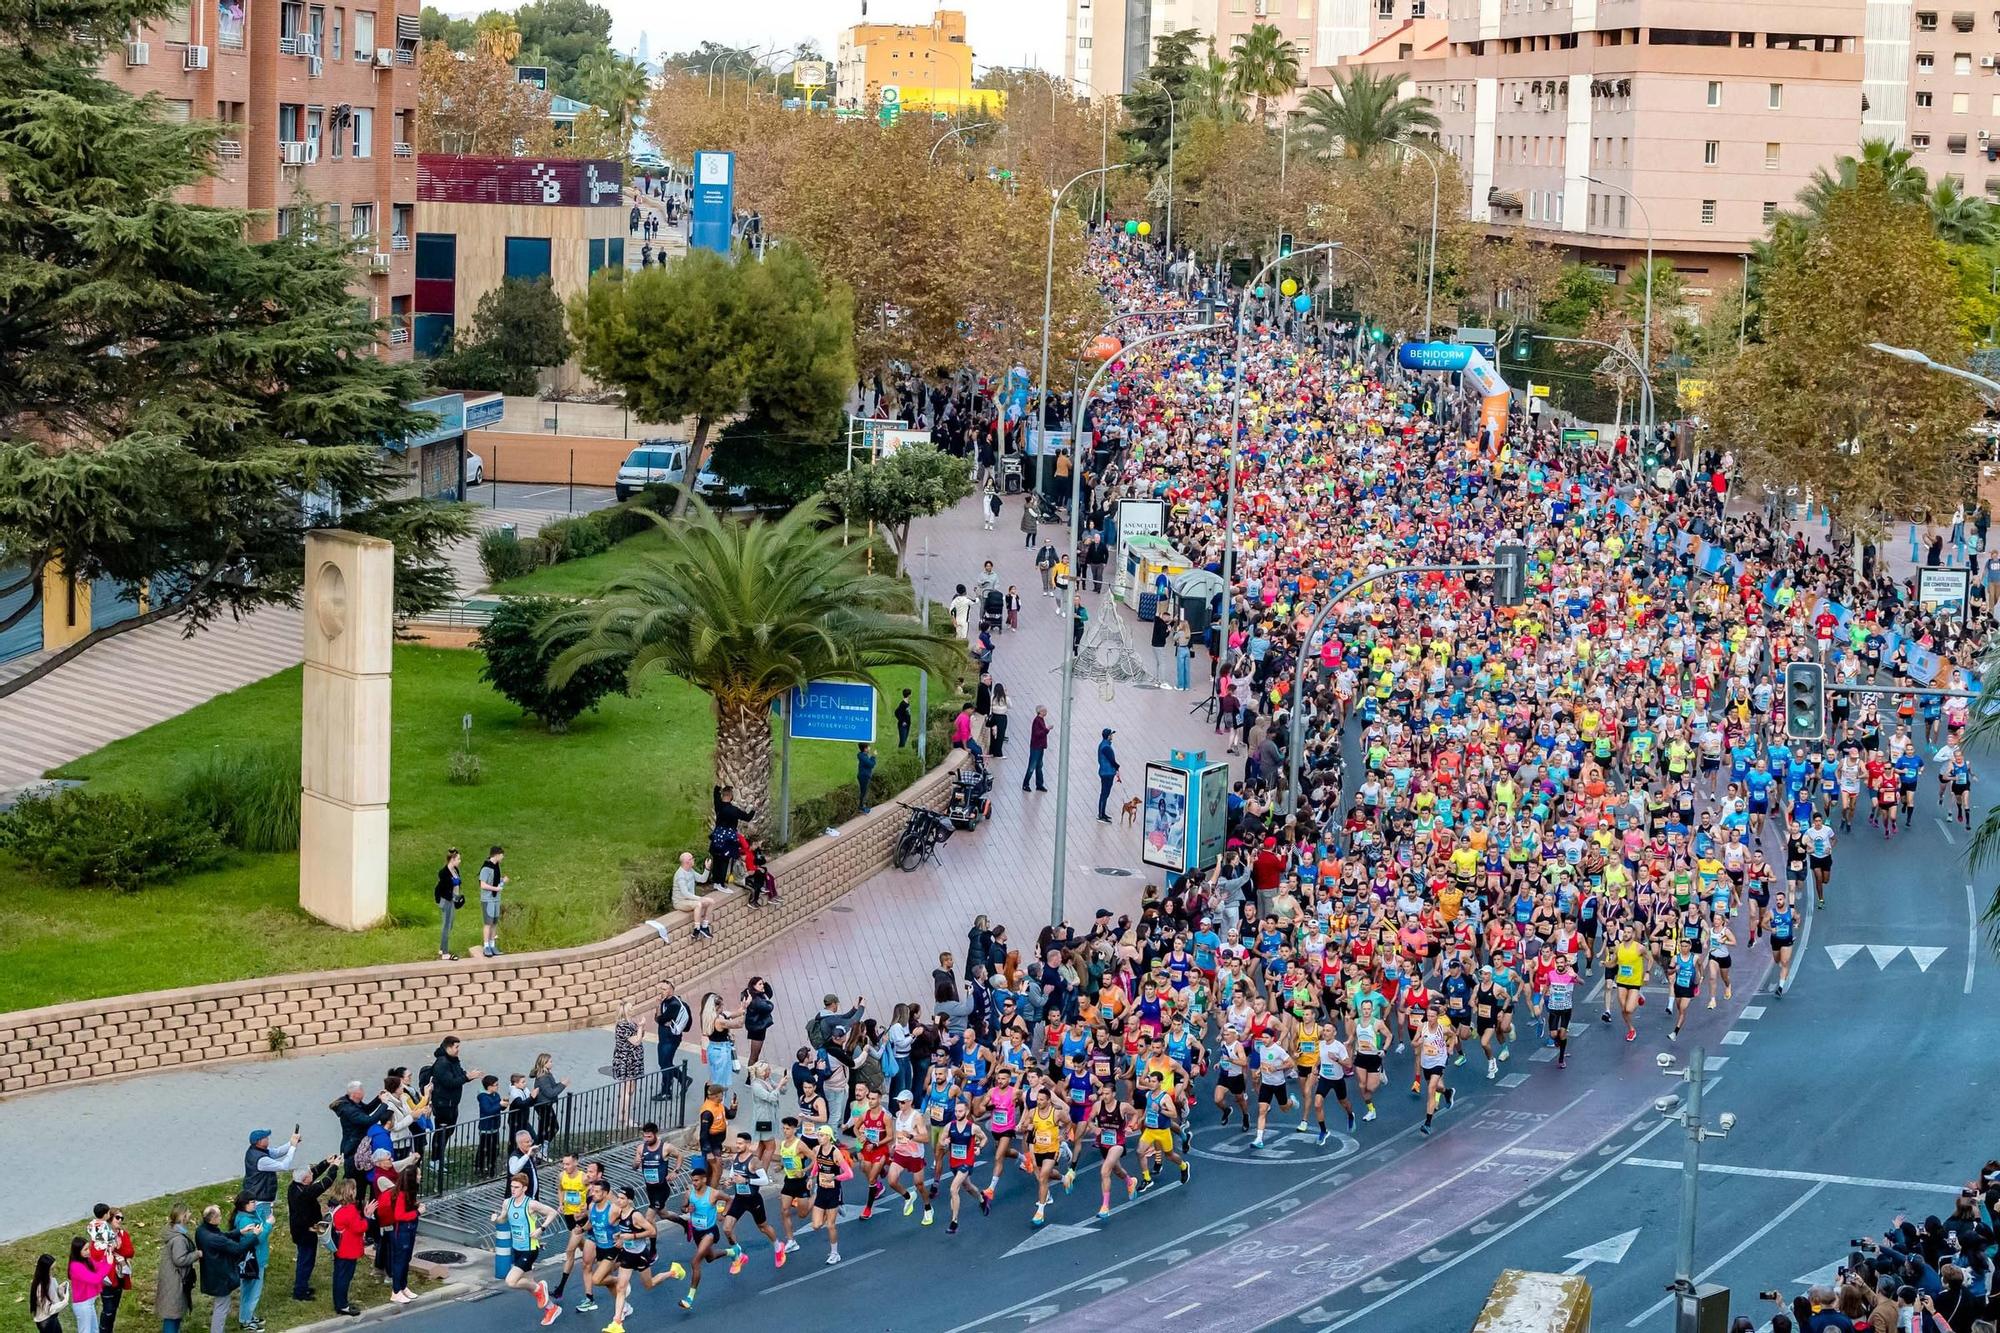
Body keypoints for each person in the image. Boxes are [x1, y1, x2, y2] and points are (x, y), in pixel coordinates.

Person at [491, 1173, 564, 1326]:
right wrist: (496, 1219)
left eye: (516, 1187)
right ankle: (552, 1308)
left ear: (524, 1188)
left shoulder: (531, 1204)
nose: (513, 1190)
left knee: (511, 1281)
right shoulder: (507, 1203)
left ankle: (541, 1287)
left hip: (530, 1249)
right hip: (517, 1249)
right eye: (512, 1186)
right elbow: (503, 1219)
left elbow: (553, 1212)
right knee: (529, 1284)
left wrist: (541, 1229)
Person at [194, 1204, 260, 1333]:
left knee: (221, 1305)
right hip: (221, 1277)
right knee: (222, 1307)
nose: (221, 1217)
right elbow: (238, 1248)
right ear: (212, 1219)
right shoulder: (215, 1239)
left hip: (211, 1274)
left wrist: (239, 1232)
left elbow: (222, 1236)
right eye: (219, 1215)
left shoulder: (201, 1231)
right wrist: (254, 1235)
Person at [286, 1154, 342, 1301]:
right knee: (306, 1260)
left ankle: (302, 1286)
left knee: (304, 1259)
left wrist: (325, 1163)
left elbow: (313, 1174)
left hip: (299, 1230)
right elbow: (325, 1183)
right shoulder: (305, 1193)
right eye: (309, 1174)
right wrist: (334, 1166)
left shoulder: (295, 1186)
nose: (312, 1173)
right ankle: (300, 1291)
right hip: (306, 1232)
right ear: (305, 1180)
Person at [155, 1209, 197, 1333]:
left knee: (174, 1312)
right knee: (172, 1314)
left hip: (171, 1278)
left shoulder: (174, 1232)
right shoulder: (179, 1239)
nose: (190, 1214)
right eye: (188, 1212)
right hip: (175, 1280)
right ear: (183, 1217)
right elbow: (179, 1260)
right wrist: (196, 1254)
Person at [654, 981, 691, 1097]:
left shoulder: (675, 1004)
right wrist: (659, 1010)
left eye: (665, 989)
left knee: (665, 1063)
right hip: (664, 1037)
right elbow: (657, 1019)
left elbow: (660, 1020)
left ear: (671, 990)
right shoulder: (664, 1002)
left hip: (671, 1038)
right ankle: (681, 1080)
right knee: (664, 1063)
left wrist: (662, 1020)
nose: (662, 992)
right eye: (661, 989)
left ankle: (667, 1090)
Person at [67, 1237, 111, 1333]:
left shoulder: (86, 1260)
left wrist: (107, 1257)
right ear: (78, 1251)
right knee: (85, 1330)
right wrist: (108, 1264)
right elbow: (95, 1279)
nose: (88, 1251)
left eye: (88, 1248)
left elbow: (98, 1266)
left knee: (94, 1330)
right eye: (85, 1249)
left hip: (88, 1303)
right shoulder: (75, 1266)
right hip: (83, 1304)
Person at [671, 852, 715, 939]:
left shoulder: (690, 871)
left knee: (711, 902)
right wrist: (700, 898)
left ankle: (705, 927)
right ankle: (697, 929)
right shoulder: (680, 875)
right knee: (698, 904)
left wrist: (707, 868)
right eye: (692, 858)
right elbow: (685, 893)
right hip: (680, 901)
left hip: (689, 899)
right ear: (687, 862)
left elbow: (702, 879)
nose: (693, 860)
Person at [478, 844, 507, 958]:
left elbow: (495, 880)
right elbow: (483, 884)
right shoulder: (486, 868)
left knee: (495, 922)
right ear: (496, 855)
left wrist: (502, 880)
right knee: (488, 923)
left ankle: (492, 944)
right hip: (488, 899)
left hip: (496, 899)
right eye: (501, 855)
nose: (502, 857)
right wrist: (496, 888)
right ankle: (486, 946)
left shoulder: (497, 866)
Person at [435, 847, 463, 961]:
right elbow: (444, 889)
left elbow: (457, 884)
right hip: (446, 900)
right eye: (458, 859)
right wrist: (452, 897)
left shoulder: (456, 870)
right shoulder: (443, 873)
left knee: (450, 924)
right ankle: (445, 953)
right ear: (452, 859)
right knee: (446, 926)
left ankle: (442, 948)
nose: (460, 861)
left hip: (452, 900)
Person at [30, 1254, 66, 1333]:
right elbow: (48, 1309)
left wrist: (60, 1290)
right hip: (46, 1321)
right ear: (45, 1270)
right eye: (52, 1269)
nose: (54, 1271)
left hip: (52, 1317)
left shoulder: (50, 1279)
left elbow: (52, 1296)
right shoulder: (40, 1287)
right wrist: (64, 1302)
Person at [1021, 705, 1051, 793]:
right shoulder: (1037, 721)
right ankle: (1025, 784)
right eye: (1044, 710)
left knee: (1039, 766)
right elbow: (1037, 734)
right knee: (1032, 766)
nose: (1046, 712)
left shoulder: (1040, 720)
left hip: (1040, 746)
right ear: (1040, 712)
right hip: (1036, 747)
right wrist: (1047, 729)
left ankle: (1039, 784)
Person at [1096, 727, 1120, 822]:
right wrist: (1117, 767)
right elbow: (1112, 760)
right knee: (1105, 793)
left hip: (1105, 772)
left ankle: (1103, 813)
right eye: (1111, 734)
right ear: (1108, 736)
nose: (1112, 736)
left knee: (1105, 793)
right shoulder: (1106, 747)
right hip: (1107, 773)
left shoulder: (1103, 745)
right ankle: (1101, 815)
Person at [857, 742, 878, 813]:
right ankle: (861, 806)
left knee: (864, 791)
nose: (869, 748)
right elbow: (871, 764)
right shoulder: (863, 757)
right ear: (865, 749)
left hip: (864, 775)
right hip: (864, 776)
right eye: (868, 747)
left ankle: (862, 805)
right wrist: (873, 756)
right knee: (864, 792)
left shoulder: (863, 755)